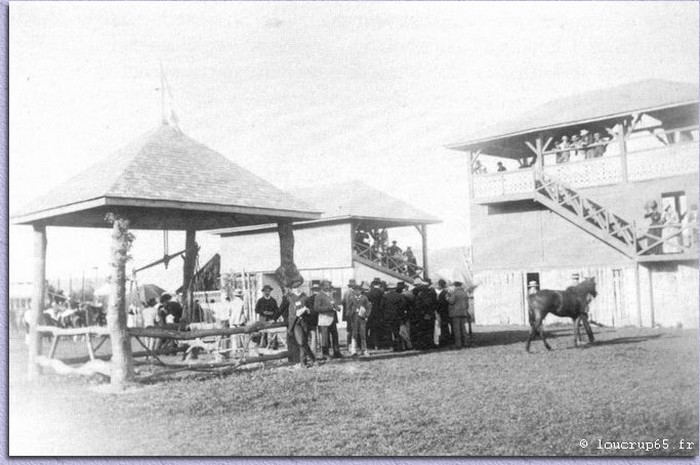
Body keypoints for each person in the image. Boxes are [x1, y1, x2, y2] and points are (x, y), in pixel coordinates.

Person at [286, 285, 315, 367]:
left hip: (304, 322)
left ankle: (312, 359)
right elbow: (283, 309)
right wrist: (274, 319)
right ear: (291, 289)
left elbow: (311, 309)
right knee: (301, 342)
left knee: (304, 342)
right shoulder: (289, 298)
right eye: (294, 287)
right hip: (295, 323)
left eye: (298, 287)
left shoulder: (305, 297)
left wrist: (307, 310)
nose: (296, 289)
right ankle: (304, 362)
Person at [314, 280, 341, 360]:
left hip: (332, 319)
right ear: (322, 286)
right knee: (325, 338)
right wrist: (329, 308)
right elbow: (316, 308)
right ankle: (325, 354)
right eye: (326, 285)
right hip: (324, 320)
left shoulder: (330, 295)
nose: (328, 287)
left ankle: (336, 352)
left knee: (335, 336)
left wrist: (337, 307)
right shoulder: (319, 295)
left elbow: (333, 304)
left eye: (329, 285)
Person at [411, 278, 437, 350]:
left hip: (421, 314)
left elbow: (417, 304)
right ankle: (430, 344)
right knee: (430, 329)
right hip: (429, 313)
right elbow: (433, 303)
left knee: (422, 330)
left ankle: (423, 345)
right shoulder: (431, 292)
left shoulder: (416, 293)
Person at [347, 283, 372, 356]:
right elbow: (348, 309)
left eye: (359, 290)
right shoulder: (351, 298)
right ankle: (353, 350)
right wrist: (352, 312)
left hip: (362, 319)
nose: (357, 292)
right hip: (354, 318)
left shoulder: (364, 298)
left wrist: (366, 315)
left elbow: (368, 307)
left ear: (361, 291)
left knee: (363, 334)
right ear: (354, 291)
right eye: (355, 290)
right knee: (354, 334)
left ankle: (364, 349)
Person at [447, 281, 470, 349]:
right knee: (463, 329)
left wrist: (447, 297)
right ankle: (465, 342)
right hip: (463, 312)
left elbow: (451, 301)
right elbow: (467, 304)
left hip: (455, 313)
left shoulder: (454, 293)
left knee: (457, 329)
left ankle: (458, 344)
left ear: (455, 286)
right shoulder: (464, 293)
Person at [436, 279, 452, 347]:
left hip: (443, 311)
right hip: (446, 311)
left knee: (443, 326)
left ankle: (445, 340)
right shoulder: (446, 292)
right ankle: (447, 339)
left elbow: (440, 303)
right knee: (445, 326)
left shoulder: (443, 293)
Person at [342, 279, 356, 349]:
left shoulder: (345, 293)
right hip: (353, 314)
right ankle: (352, 345)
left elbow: (343, 302)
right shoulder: (354, 293)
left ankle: (348, 344)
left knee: (348, 329)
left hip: (347, 314)